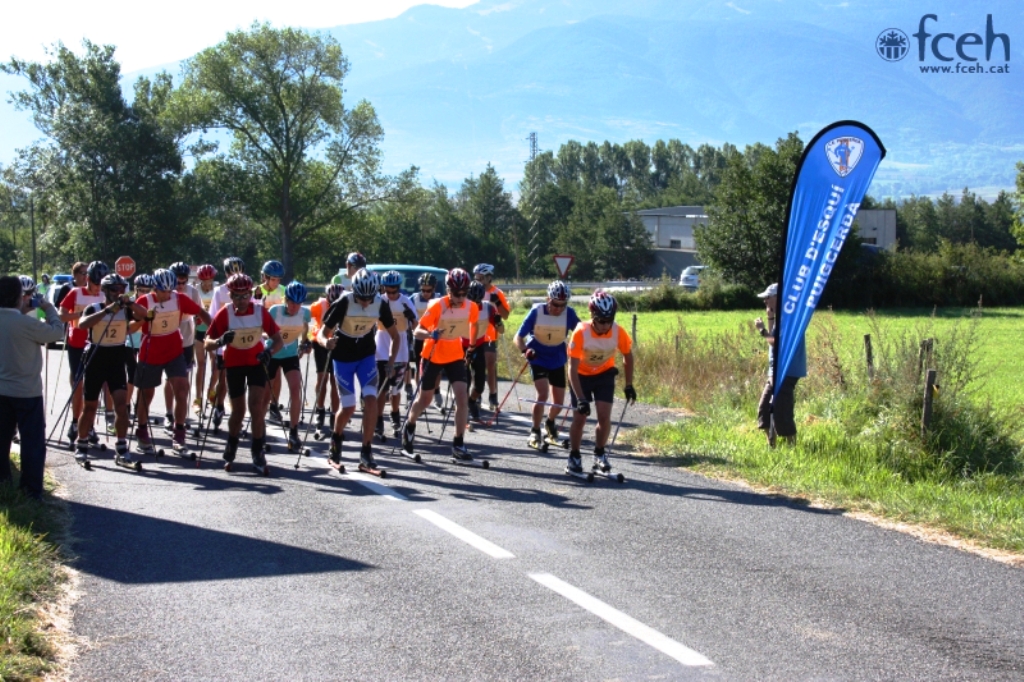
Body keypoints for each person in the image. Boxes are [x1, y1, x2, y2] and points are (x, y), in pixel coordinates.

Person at [317, 269, 400, 471]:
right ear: (354, 291)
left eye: (368, 298)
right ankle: (335, 445)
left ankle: (366, 451)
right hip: (343, 357)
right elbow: (321, 333)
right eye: (361, 298)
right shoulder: (344, 302)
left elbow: (396, 337)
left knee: (371, 400)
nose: (365, 302)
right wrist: (326, 343)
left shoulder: (380, 303)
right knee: (349, 407)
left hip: (366, 356)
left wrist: (390, 361)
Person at [204, 273, 283, 474]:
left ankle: (257, 451)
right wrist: (221, 341)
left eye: (245, 295)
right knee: (238, 411)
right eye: (236, 296)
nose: (241, 301)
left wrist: (269, 352)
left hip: (256, 363)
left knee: (257, 407)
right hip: (234, 365)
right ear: (230, 295)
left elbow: (278, 339)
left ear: (251, 294)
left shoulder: (260, 312)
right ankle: (231, 445)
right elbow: (207, 343)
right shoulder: (225, 313)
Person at [402, 268, 482, 461]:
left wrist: (471, 346)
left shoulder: (470, 306)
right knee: (425, 400)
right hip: (432, 355)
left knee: (462, 399)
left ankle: (458, 443)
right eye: (457, 293)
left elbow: (475, 324)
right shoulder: (438, 305)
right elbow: (417, 331)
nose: (461, 297)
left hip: (455, 356)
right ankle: (410, 425)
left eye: (465, 293)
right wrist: (430, 334)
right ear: (448, 290)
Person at [134, 269, 212, 457]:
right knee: (146, 394)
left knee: (182, 389)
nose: (167, 295)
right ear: (155, 288)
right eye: (163, 291)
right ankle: (142, 432)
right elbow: (132, 325)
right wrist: (144, 317)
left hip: (174, 351)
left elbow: (201, 311)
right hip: (150, 352)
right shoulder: (144, 301)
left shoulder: (178, 299)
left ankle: (179, 435)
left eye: (170, 291)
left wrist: (213, 330)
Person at [0, 275, 64, 499]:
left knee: (2, 439)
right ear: (19, 298)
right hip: (27, 391)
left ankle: (3, 482)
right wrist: (49, 309)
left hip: (2, 391)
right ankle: (31, 489)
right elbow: (57, 332)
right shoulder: (28, 324)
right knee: (32, 443)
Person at [566, 291, 636, 475]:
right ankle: (574, 456)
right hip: (580, 376)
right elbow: (571, 369)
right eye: (601, 321)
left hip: (604, 374)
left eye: (609, 320)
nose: (605, 325)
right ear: (592, 316)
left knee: (604, 417)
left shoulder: (618, 331)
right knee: (580, 418)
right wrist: (581, 398)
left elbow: (628, 356)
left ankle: (599, 454)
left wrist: (629, 385)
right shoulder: (581, 332)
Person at [76, 273, 140, 467]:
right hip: (97, 358)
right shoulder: (94, 307)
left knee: (121, 405)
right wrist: (107, 311)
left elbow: (145, 315)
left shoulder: (125, 309)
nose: (118, 293)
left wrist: (129, 303)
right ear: (105, 291)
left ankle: (121, 448)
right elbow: (82, 324)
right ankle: (82, 446)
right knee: (90, 407)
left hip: (116, 358)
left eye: (121, 289)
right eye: (114, 289)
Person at [515, 280, 580, 450]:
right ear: (547, 299)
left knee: (558, 402)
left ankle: (550, 423)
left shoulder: (570, 314)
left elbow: (582, 334)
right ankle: (535, 430)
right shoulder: (537, 311)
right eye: (554, 304)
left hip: (558, 358)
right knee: (542, 395)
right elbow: (518, 337)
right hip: (538, 357)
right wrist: (525, 351)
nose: (558, 308)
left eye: (562, 305)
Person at [58, 261, 109, 446]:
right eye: (95, 283)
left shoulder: (105, 294)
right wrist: (81, 316)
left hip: (97, 343)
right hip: (77, 344)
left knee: (93, 386)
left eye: (100, 285)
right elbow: (61, 316)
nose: (97, 288)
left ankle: (89, 425)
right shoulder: (75, 293)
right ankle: (74, 422)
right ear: (87, 279)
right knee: (78, 384)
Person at [754, 282, 806, 447]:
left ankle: (791, 444)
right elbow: (773, 338)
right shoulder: (782, 317)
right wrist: (770, 318)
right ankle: (772, 444)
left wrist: (762, 331)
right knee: (765, 408)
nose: (765, 302)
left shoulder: (789, 319)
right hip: (776, 371)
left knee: (782, 409)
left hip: (786, 371)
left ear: (777, 298)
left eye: (767, 298)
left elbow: (777, 344)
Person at [265, 281, 311, 452]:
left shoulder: (305, 313)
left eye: (298, 303)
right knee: (264, 395)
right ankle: (260, 431)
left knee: (295, 390)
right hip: (273, 353)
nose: (294, 307)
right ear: (286, 299)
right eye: (292, 303)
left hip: (290, 355)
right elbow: (264, 331)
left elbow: (306, 329)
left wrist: (305, 343)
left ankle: (294, 432)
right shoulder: (274, 311)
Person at [374, 270, 417, 439]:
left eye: (394, 291)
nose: (391, 295)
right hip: (381, 349)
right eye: (387, 291)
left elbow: (416, 327)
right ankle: (378, 419)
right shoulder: (379, 301)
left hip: (401, 351)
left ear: (399, 288)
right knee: (381, 388)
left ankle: (395, 414)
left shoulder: (406, 301)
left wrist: (411, 317)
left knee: (395, 389)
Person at [163, 262, 202, 432]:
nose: (180, 285)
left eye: (183, 281)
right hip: (169, 335)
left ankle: (181, 415)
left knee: (183, 379)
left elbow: (199, 314)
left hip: (186, 335)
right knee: (169, 378)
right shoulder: (166, 294)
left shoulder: (192, 292)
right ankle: (168, 413)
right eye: (177, 282)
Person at [208, 257, 245, 430]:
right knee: (223, 379)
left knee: (239, 382)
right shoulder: (220, 291)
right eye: (232, 273)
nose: (235, 276)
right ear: (226, 274)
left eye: (239, 272)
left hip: (243, 342)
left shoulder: (247, 289)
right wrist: (216, 341)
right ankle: (219, 405)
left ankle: (237, 413)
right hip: (225, 343)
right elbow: (213, 317)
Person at [472, 263, 510, 411]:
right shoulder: (473, 290)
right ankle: (478, 392)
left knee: (490, 363)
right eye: (476, 277)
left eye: (481, 278)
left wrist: (498, 302)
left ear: (489, 278)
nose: (478, 281)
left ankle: (493, 394)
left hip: (490, 333)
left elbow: (506, 316)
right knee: (477, 366)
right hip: (475, 333)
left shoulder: (496, 292)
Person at [465, 280, 503, 423]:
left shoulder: (488, 309)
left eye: (477, 300)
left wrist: (498, 322)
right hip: (462, 345)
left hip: (479, 345)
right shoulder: (462, 307)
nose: (474, 303)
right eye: (471, 299)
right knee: (465, 381)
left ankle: (471, 401)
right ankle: (463, 412)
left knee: (479, 386)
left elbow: (501, 330)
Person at [255, 260, 287, 424]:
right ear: (265, 277)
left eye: (279, 279)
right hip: (261, 335)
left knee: (277, 372)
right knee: (263, 374)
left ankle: (274, 406)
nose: (277, 283)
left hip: (276, 336)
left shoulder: (283, 291)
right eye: (273, 279)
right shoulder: (257, 292)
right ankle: (260, 404)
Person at [310, 283, 343, 437]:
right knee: (322, 378)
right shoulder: (319, 305)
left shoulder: (347, 304)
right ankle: (320, 410)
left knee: (335, 382)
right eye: (332, 302)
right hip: (321, 344)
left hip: (338, 344)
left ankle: (334, 415)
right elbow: (305, 317)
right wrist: (307, 338)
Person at [407, 272, 443, 409]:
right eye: (423, 289)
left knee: (437, 369)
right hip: (420, 336)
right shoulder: (413, 299)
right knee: (419, 367)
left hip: (435, 338)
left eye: (428, 290)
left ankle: (437, 389)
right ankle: (419, 393)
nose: (425, 293)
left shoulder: (440, 299)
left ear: (434, 288)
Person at [193, 264, 217, 414]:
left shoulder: (218, 290)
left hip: (213, 331)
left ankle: (211, 390)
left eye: (210, 280)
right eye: (204, 280)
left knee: (216, 363)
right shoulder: (195, 291)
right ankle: (198, 398)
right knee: (201, 365)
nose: (207, 283)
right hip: (199, 331)